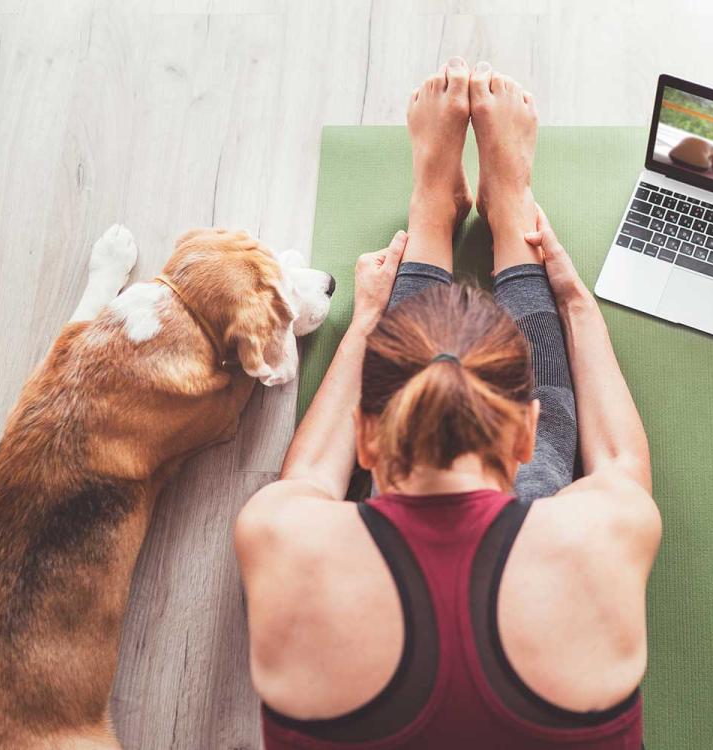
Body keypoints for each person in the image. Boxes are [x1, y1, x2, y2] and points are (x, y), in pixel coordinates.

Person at [234, 58, 660, 750]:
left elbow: (310, 479)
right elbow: (617, 462)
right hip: (511, 488)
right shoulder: (596, 536)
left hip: (405, 474)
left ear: (366, 439)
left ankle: (433, 212)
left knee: (427, 487)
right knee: (537, 494)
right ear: (527, 430)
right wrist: (575, 303)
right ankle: (508, 215)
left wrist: (367, 320)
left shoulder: (282, 539)